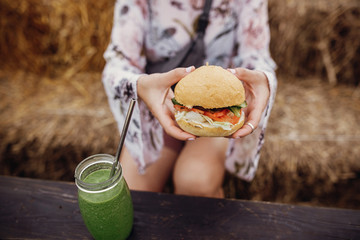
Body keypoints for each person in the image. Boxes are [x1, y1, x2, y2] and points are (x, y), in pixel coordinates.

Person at [102, 0, 277, 198]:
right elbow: (117, 63)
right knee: (129, 193)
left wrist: (263, 80)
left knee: (195, 184)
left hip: (221, 111)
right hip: (157, 107)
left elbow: (258, 58)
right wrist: (141, 85)